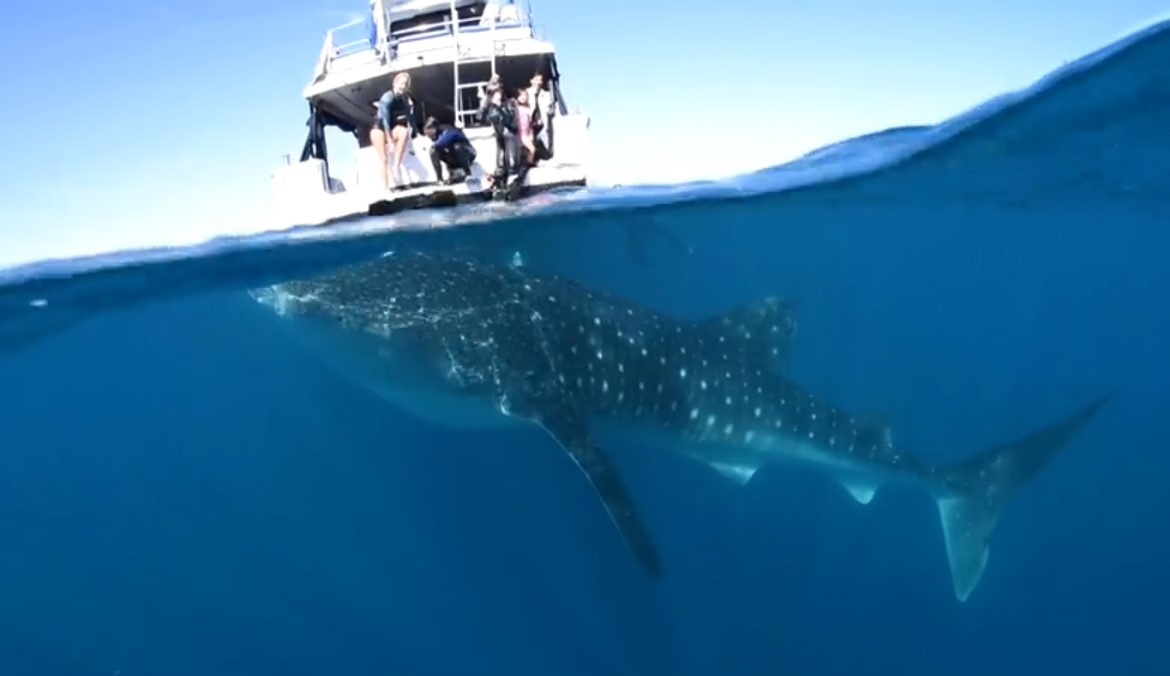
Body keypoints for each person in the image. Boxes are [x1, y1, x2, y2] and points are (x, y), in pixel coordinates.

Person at [370, 72, 418, 190]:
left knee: (404, 132)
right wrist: (390, 141)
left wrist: (416, 132)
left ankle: (396, 167)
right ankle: (385, 188)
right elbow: (385, 121)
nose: (403, 86)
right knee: (384, 160)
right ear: (395, 83)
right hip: (379, 129)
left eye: (405, 84)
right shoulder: (387, 98)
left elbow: (410, 118)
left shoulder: (405, 99)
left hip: (391, 128)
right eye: (401, 84)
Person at [477, 87, 526, 199]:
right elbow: (479, 116)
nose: (497, 96)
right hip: (499, 137)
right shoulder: (490, 106)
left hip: (510, 136)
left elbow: (511, 122)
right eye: (495, 94)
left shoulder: (509, 104)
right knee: (500, 165)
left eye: (499, 93)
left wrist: (499, 109)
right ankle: (500, 187)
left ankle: (512, 186)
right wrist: (486, 102)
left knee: (512, 163)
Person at [422, 116, 476, 184]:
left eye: (429, 134)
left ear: (434, 129)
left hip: (468, 154)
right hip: (454, 158)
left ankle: (468, 174)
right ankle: (440, 179)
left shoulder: (448, 130)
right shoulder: (437, 136)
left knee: (456, 146)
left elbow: (444, 140)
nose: (429, 137)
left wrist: (436, 145)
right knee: (433, 151)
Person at [525, 71, 556, 162]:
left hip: (542, 124)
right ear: (531, 81)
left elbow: (551, 109)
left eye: (540, 80)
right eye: (536, 80)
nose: (538, 82)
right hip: (529, 124)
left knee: (544, 146)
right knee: (530, 146)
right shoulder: (526, 93)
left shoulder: (547, 95)